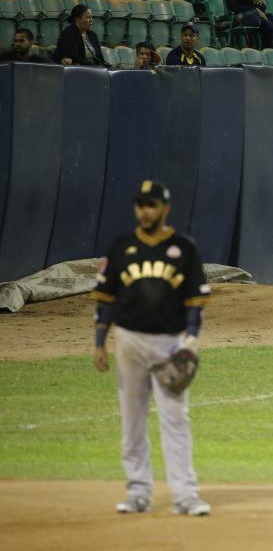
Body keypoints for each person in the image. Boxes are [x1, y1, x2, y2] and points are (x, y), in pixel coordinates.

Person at [91, 180, 212, 516]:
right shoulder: (120, 247)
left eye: (152, 205)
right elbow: (106, 300)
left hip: (169, 342)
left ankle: (185, 495)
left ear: (165, 208)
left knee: (175, 418)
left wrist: (191, 338)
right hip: (128, 341)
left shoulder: (184, 249)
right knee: (132, 419)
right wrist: (99, 343)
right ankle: (138, 492)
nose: (145, 211)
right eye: (141, 205)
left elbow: (194, 303)